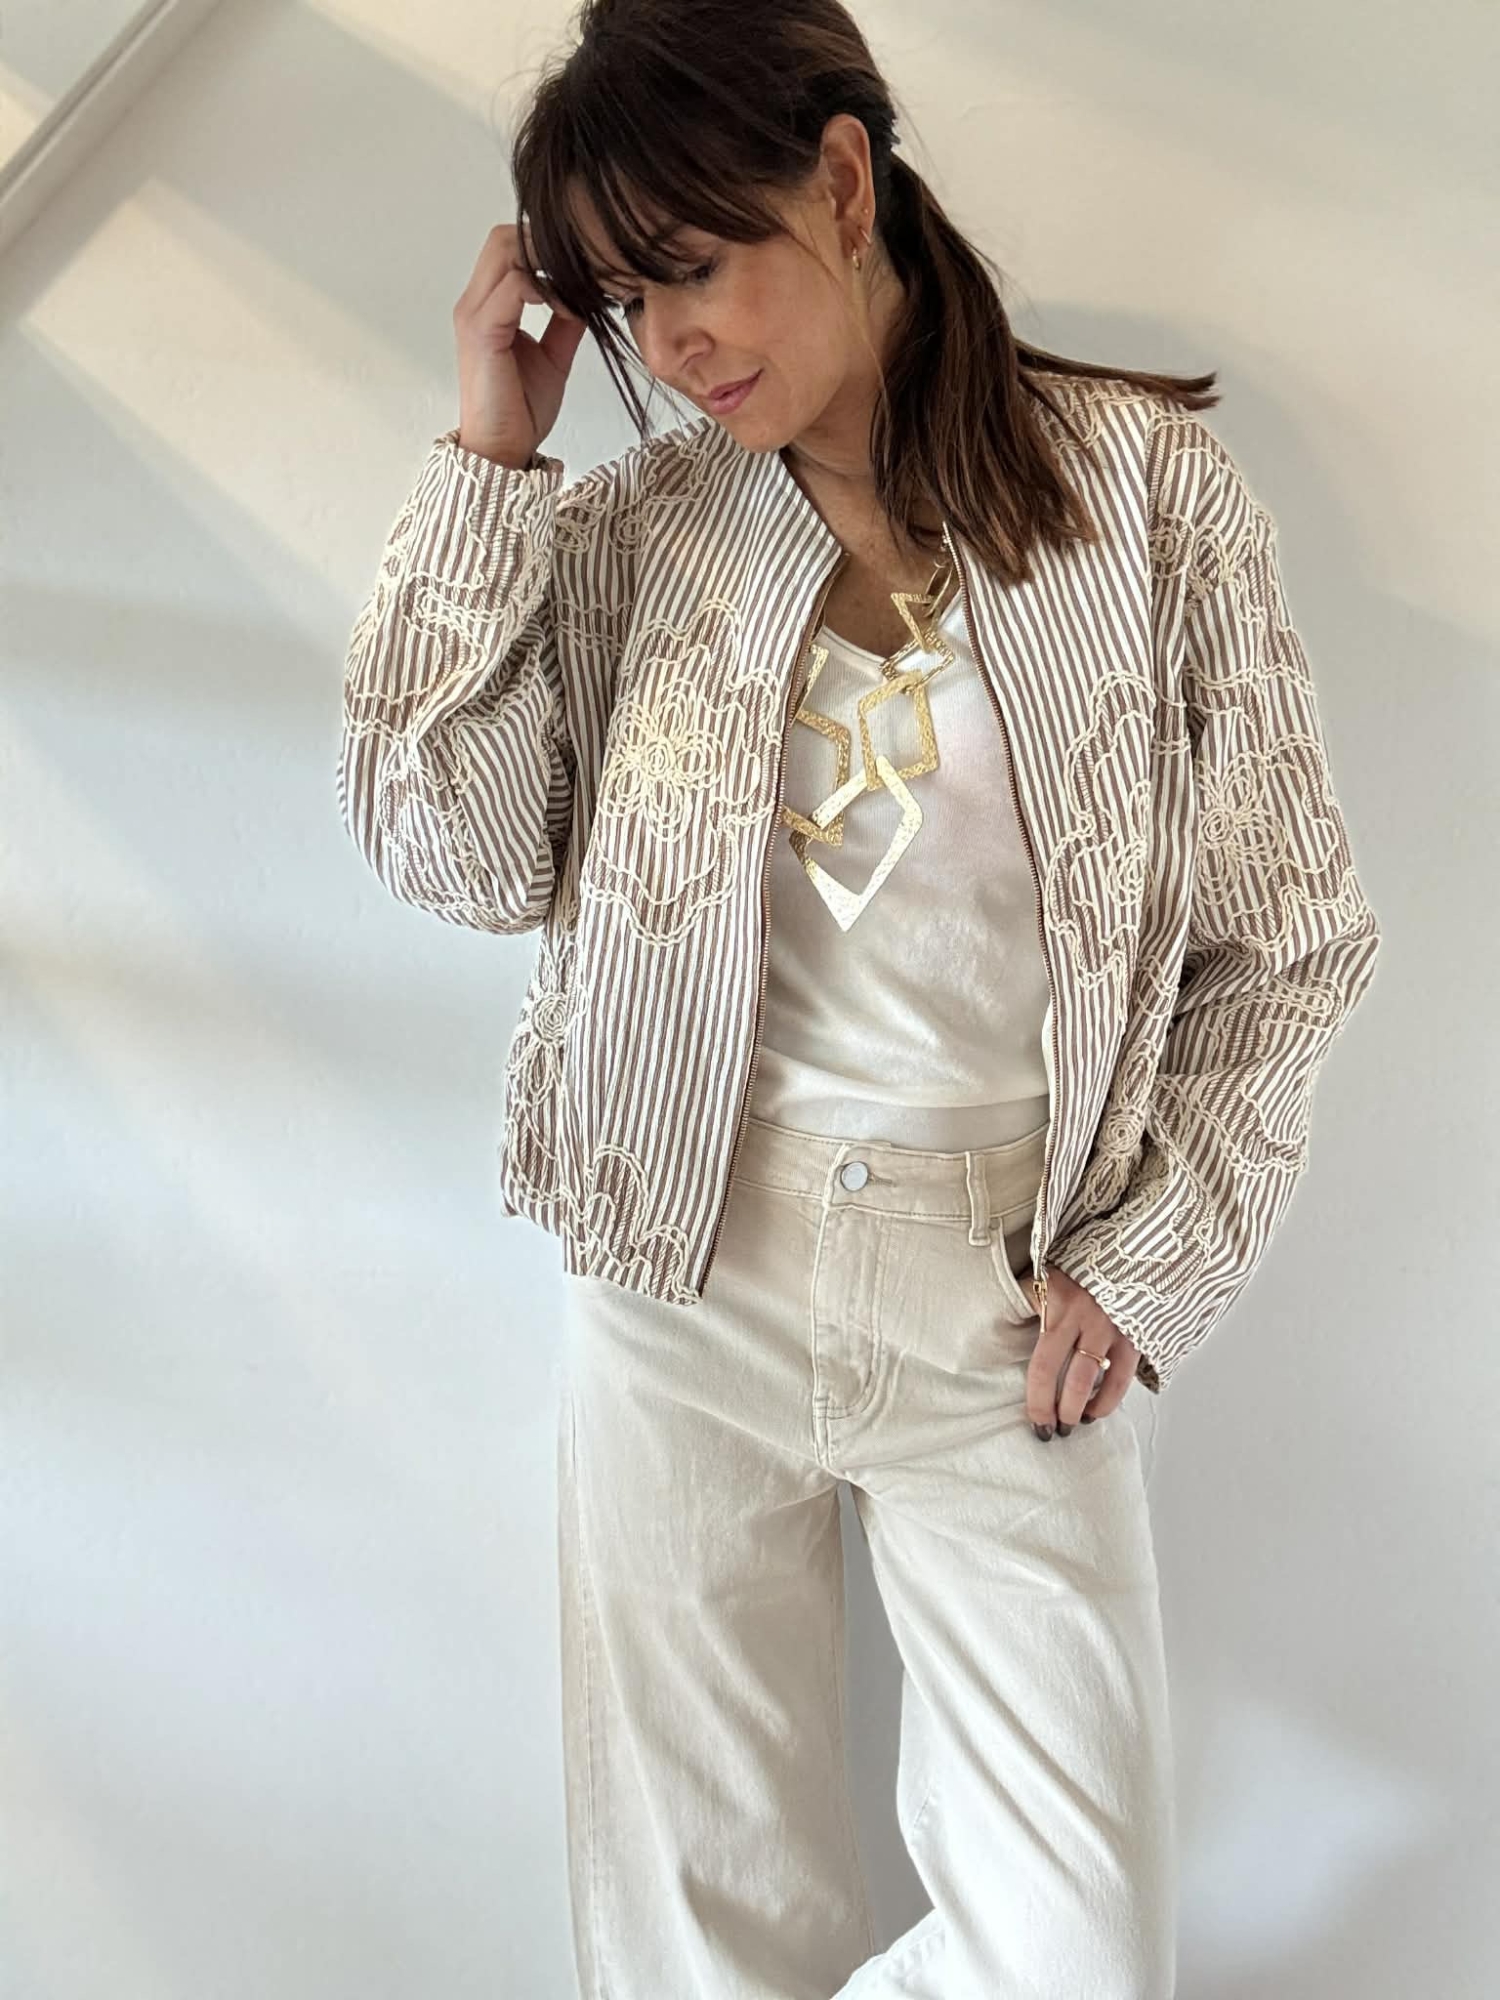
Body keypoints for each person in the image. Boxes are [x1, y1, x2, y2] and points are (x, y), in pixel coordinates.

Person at [336, 4, 1383, 1993]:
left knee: (1074, 1955)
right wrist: (490, 456)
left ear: (838, 179)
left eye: (696, 266)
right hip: (682, 1259)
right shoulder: (632, 533)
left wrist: (1155, 1261)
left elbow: (1292, 934)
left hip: (1003, 1295)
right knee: (699, 1927)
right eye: (627, 301)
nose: (671, 345)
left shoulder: (1148, 500)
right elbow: (445, 847)